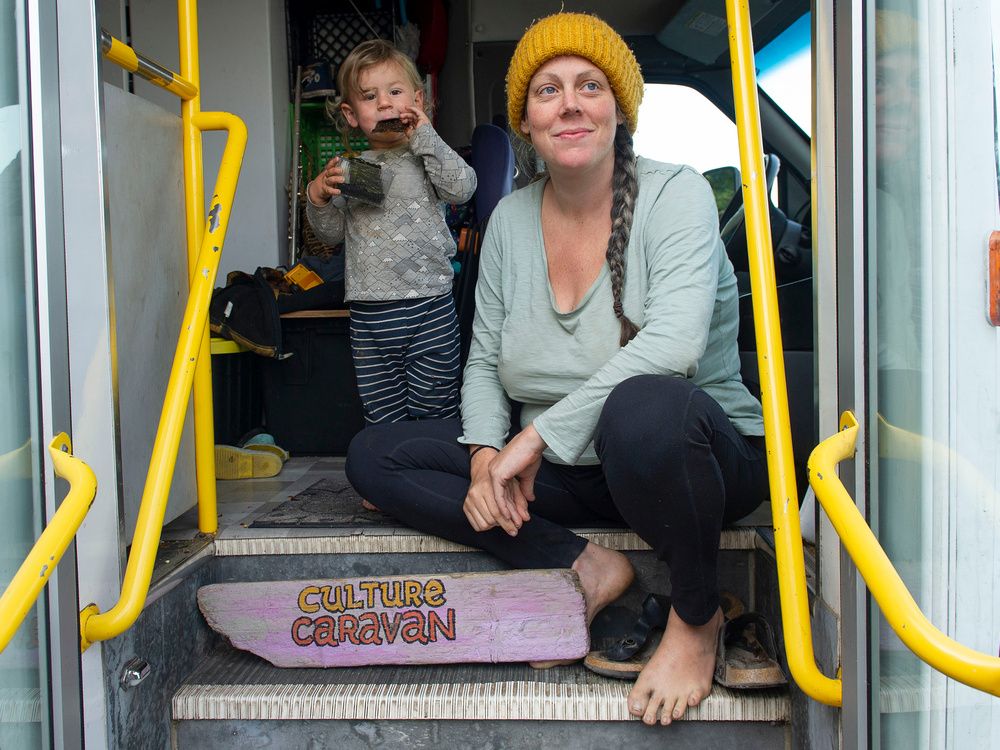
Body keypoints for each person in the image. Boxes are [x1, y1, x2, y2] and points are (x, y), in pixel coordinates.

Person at [346, 13, 768, 725]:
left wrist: (532, 442)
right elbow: (482, 357)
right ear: (527, 121)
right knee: (373, 456)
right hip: (571, 476)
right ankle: (584, 565)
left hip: (687, 461)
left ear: (619, 108)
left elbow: (673, 348)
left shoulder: (679, 194)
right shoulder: (510, 218)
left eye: (589, 86)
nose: (569, 103)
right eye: (547, 90)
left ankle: (696, 618)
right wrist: (485, 457)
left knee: (645, 404)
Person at [305, 39, 477, 424]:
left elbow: (462, 187)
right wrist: (317, 198)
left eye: (395, 92)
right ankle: (391, 478)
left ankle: (436, 476)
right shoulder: (355, 169)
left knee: (436, 408)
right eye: (370, 96)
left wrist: (427, 137)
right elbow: (333, 234)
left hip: (429, 305)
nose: (384, 103)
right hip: (370, 316)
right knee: (383, 415)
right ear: (351, 115)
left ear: (419, 101)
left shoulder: (427, 158)